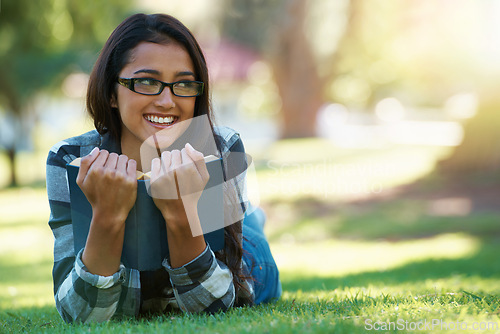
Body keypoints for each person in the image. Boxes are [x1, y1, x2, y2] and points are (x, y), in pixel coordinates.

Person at [46, 13, 281, 323]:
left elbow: (220, 305)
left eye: (183, 84)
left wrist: (181, 216)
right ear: (110, 92)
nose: (168, 101)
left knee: (251, 235)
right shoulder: (71, 160)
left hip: (252, 256)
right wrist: (107, 218)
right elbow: (81, 315)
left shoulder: (218, 150)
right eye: (146, 81)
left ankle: (251, 217)